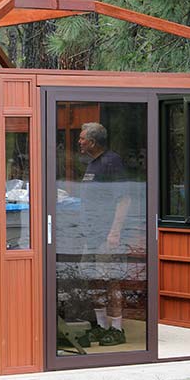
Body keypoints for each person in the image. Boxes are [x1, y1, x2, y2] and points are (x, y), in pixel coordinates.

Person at [78, 122, 131, 346]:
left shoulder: (112, 162)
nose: (79, 142)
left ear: (92, 141)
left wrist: (114, 232)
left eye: (81, 139)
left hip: (106, 234)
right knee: (94, 279)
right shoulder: (93, 164)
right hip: (91, 234)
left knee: (111, 280)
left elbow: (124, 199)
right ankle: (100, 326)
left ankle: (117, 329)